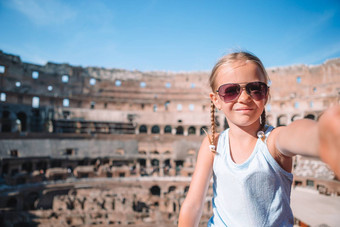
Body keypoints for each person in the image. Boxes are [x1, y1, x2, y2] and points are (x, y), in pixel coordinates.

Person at [178, 51, 340, 227]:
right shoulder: (212, 143)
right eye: (231, 91)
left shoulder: (272, 141)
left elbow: (294, 134)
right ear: (216, 100)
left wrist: (322, 137)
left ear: (266, 95)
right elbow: (193, 205)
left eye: (255, 88)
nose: (244, 97)